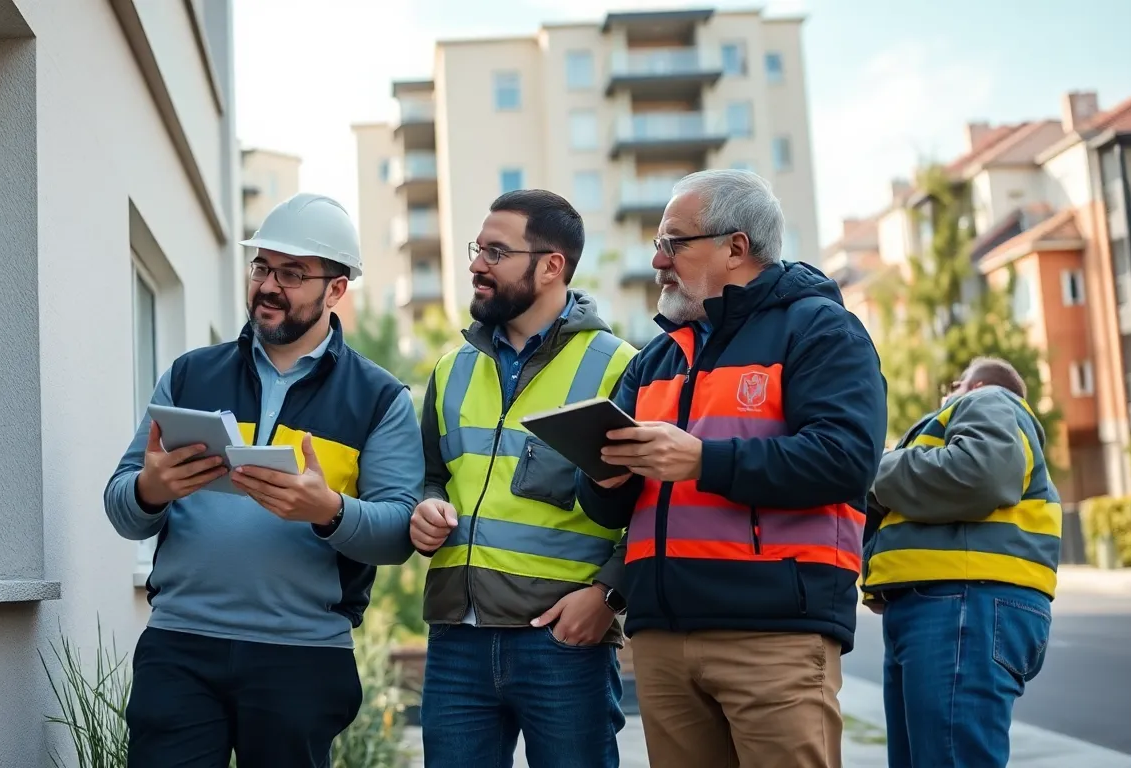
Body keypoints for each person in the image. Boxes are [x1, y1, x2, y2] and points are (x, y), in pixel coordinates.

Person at [574, 169, 888, 768]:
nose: (658, 261)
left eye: (673, 243)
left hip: (773, 635)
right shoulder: (656, 358)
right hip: (661, 638)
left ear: (736, 247)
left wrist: (702, 460)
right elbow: (611, 507)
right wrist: (604, 479)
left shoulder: (821, 330)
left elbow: (846, 460)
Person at [102, 192, 421, 768]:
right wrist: (153, 489)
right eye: (262, 267)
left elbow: (399, 533)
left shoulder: (379, 398)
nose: (268, 286)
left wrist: (330, 512)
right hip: (180, 645)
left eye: (292, 273)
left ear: (336, 289)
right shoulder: (189, 375)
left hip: (302, 656)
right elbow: (122, 507)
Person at [408, 189, 639, 768]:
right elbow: (430, 476)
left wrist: (608, 597)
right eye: (478, 249)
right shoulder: (450, 369)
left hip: (562, 642)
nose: (476, 266)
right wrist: (426, 507)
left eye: (496, 252)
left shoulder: (621, 367)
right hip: (456, 639)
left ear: (551, 265)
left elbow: (660, 507)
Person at [862, 356, 1060, 768]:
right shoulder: (987, 413)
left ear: (975, 385)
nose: (947, 395)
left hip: (959, 602)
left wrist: (874, 469)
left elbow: (981, 473)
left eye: (953, 385)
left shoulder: (989, 399)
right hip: (949, 604)